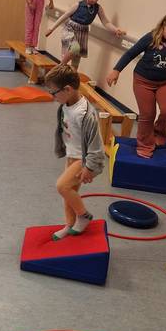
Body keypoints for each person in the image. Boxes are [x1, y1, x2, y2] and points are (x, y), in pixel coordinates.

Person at [106, 9, 166, 158]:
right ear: (163, 25)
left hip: (165, 83)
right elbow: (131, 53)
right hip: (142, 81)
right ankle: (145, 145)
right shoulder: (152, 37)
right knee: (147, 115)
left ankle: (158, 130)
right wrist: (116, 70)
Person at [45, 65, 105, 241]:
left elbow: (96, 144)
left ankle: (83, 216)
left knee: (62, 186)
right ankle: (70, 224)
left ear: (68, 89)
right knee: (69, 193)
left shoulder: (85, 113)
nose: (52, 96)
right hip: (72, 155)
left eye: (53, 92)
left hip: (83, 159)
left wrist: (89, 167)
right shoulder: (65, 104)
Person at [45, 0, 125, 69]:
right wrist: (51, 29)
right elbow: (64, 16)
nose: (94, 0)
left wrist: (116, 30)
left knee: (77, 57)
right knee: (74, 48)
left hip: (83, 31)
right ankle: (60, 67)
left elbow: (106, 22)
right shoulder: (78, 5)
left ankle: (73, 75)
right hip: (71, 29)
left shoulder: (98, 8)